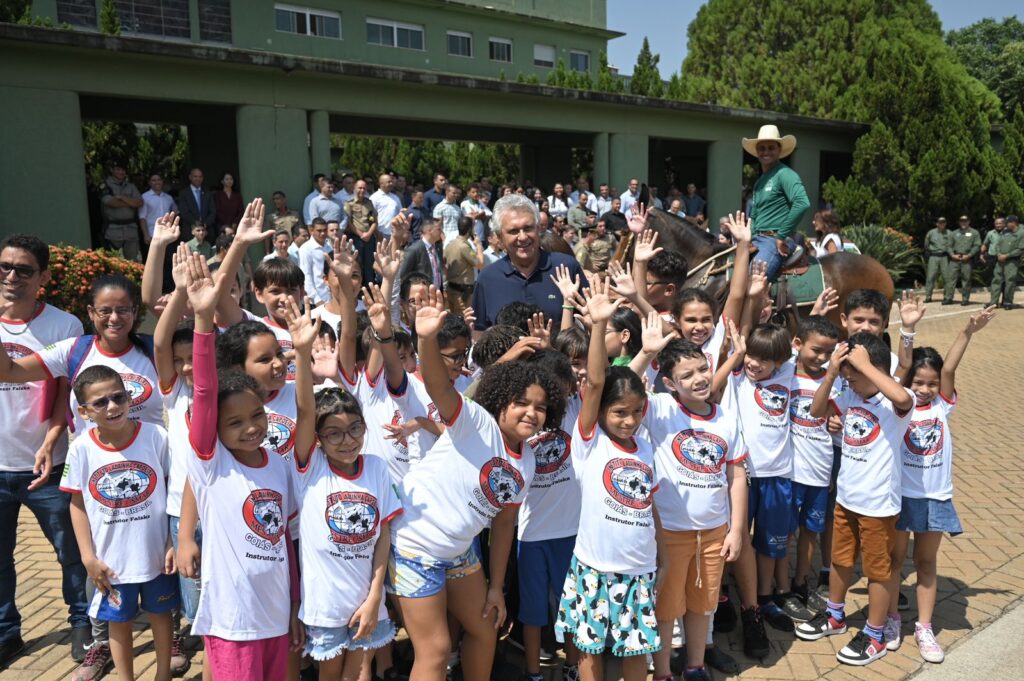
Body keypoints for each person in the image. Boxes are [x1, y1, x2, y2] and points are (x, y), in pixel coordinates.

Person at [388, 287, 565, 681]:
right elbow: (438, 386)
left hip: (459, 554)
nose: (531, 413)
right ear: (501, 400)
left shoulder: (529, 459)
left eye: (540, 407)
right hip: (415, 548)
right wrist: (426, 338)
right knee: (433, 652)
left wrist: (496, 588)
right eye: (521, 402)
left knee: (486, 628)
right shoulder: (474, 422)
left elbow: (504, 524)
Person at [181, 251, 302, 680]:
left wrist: (292, 607)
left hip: (275, 617)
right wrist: (202, 319)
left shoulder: (277, 464)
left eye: (256, 417)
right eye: (234, 422)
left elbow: (285, 541)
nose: (249, 428)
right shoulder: (211, 463)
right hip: (233, 620)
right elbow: (204, 390)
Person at [285, 296, 402, 680]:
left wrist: (374, 597)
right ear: (317, 439)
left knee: (358, 673)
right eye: (333, 433)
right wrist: (302, 355)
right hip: (325, 608)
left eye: (354, 430)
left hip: (368, 601)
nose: (347, 441)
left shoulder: (377, 469)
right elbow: (304, 410)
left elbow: (383, 535)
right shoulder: (311, 466)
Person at [555, 279, 659, 681]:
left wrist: (660, 558)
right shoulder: (589, 443)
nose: (628, 420)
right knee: (589, 648)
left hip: (639, 569)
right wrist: (598, 326)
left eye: (635, 412)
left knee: (637, 648)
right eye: (618, 413)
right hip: (594, 568)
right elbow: (597, 382)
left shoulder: (647, 449)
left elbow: (651, 509)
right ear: (599, 414)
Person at [632, 328, 747, 681]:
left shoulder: (726, 416)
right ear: (669, 382)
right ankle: (664, 671)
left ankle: (695, 666)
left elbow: (737, 474)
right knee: (666, 609)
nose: (699, 379)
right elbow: (621, 388)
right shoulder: (660, 409)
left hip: (714, 532)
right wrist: (646, 354)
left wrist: (737, 530)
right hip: (669, 533)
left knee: (702, 606)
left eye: (702, 369)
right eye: (687, 375)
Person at [797, 333, 915, 667]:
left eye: (855, 375)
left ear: (874, 368)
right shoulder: (850, 393)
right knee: (840, 560)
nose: (851, 381)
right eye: (847, 376)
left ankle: (875, 634)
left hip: (878, 505)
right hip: (847, 497)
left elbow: (903, 397)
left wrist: (867, 366)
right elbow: (817, 410)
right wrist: (834, 373)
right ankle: (835, 616)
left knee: (878, 570)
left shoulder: (893, 402)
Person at [0, 235, 91, 668]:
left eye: (23, 270)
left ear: (44, 278)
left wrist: (53, 440)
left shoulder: (64, 326)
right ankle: (7, 633)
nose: (11, 276)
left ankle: (81, 624)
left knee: (70, 553)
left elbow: (64, 396)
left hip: (47, 465)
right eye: (4, 267)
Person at [890, 307, 994, 663]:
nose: (924, 389)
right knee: (893, 562)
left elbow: (949, 368)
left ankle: (923, 626)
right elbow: (905, 368)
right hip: (901, 496)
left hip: (934, 497)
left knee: (926, 562)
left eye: (930, 384)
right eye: (917, 382)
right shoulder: (898, 405)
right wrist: (908, 330)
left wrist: (967, 331)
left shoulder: (942, 406)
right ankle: (890, 619)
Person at [60, 366, 176, 681]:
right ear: (83, 411)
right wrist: (87, 557)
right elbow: (78, 504)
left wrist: (171, 543)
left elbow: (174, 491)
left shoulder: (156, 436)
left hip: (156, 555)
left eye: (118, 397)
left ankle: (163, 674)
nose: (112, 406)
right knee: (119, 623)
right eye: (100, 402)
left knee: (161, 616)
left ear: (128, 397)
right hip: (112, 562)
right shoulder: (81, 449)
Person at [786, 316, 842, 616]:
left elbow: (835, 415)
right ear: (797, 345)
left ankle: (800, 582)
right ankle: (778, 584)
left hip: (819, 469)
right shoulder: (784, 373)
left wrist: (836, 418)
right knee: (786, 530)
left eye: (828, 352)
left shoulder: (834, 380)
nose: (821, 358)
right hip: (788, 470)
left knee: (810, 530)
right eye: (816, 350)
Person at [471, 195, 588, 334]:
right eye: (513, 231)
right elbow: (479, 333)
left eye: (528, 228)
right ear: (499, 237)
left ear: (538, 229)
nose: (522, 237)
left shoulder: (566, 268)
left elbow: (590, 321)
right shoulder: (487, 278)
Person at [743, 125, 811, 281]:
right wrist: (749, 240)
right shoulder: (759, 182)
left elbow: (802, 202)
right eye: (762, 148)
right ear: (757, 152)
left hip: (774, 241)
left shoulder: (785, 174)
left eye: (771, 148)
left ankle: (764, 305)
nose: (766, 152)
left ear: (779, 150)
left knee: (753, 283)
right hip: (757, 241)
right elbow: (754, 216)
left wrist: (781, 236)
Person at [101, 162, 144, 261]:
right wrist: (130, 202)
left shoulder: (131, 186)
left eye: (123, 170)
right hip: (113, 230)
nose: (120, 172)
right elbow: (111, 203)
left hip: (131, 229)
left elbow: (139, 203)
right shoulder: (106, 185)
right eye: (118, 169)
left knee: (133, 262)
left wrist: (121, 198)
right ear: (112, 170)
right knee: (114, 262)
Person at [444, 216, 484, 316]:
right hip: (462, 293)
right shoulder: (464, 247)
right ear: (470, 229)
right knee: (464, 321)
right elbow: (480, 264)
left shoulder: (450, 244)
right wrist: (478, 245)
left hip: (451, 288)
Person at [344, 180, 380, 287]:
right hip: (356, 238)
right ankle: (358, 288)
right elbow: (349, 222)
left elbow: (374, 221)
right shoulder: (349, 203)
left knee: (369, 264)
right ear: (355, 189)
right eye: (360, 188)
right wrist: (361, 234)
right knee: (357, 263)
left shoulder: (369, 203)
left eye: (364, 188)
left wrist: (368, 234)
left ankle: (370, 287)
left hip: (369, 238)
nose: (362, 190)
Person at [399, 217, 445, 294]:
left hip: (437, 294)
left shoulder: (438, 248)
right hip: (421, 296)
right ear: (430, 231)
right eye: (439, 229)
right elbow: (403, 275)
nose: (441, 232)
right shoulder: (414, 250)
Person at [942, 215, 980, 306]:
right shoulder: (954, 233)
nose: (963, 223)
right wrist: (952, 254)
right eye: (961, 221)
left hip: (967, 259)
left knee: (966, 279)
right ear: (959, 222)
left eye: (965, 221)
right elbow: (949, 246)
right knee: (950, 279)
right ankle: (948, 298)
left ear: (969, 222)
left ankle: (965, 299)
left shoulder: (974, 233)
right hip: (954, 259)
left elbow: (977, 245)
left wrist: (969, 255)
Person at [987, 215, 1021, 309]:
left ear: (1014, 223)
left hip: (1012, 261)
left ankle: (1007, 302)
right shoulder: (1005, 231)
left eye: (1007, 223)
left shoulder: (1021, 232)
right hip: (1000, 259)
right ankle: (993, 302)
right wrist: (998, 254)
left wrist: (1007, 255)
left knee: (1009, 281)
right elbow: (998, 244)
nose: (1005, 225)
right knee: (996, 280)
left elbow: (1021, 249)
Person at [138, 174, 178, 247]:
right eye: (154, 180)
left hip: (166, 234)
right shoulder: (144, 197)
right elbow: (142, 218)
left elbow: (176, 213)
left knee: (168, 257)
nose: (157, 182)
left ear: (162, 181)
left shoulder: (168, 198)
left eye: (159, 180)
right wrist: (146, 235)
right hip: (152, 234)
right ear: (149, 182)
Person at [299, 219, 332, 306]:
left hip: (332, 295)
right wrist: (316, 299)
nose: (323, 233)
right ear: (312, 230)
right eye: (319, 231)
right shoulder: (305, 249)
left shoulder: (330, 245)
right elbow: (306, 274)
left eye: (325, 230)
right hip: (318, 298)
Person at [176, 168, 215, 239]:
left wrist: (205, 224)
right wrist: (196, 223)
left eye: (200, 177)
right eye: (195, 176)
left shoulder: (207, 193)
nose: (198, 179)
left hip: (207, 232)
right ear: (190, 177)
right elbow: (184, 212)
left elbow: (213, 212)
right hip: (190, 231)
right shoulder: (183, 193)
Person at [923, 217, 951, 303]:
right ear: (937, 223)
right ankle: (928, 296)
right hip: (933, 256)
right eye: (940, 222)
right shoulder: (931, 233)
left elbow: (952, 245)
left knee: (947, 277)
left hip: (944, 257)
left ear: (945, 223)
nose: (942, 224)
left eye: (943, 222)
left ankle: (947, 297)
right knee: (930, 277)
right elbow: (926, 245)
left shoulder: (949, 233)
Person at [370, 174, 403, 239]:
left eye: (391, 182)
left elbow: (400, 214)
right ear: (382, 184)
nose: (391, 184)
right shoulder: (374, 198)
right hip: (380, 234)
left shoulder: (395, 198)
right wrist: (376, 232)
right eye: (389, 182)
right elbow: (371, 217)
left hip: (394, 233)